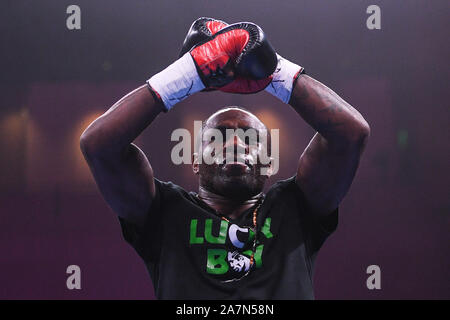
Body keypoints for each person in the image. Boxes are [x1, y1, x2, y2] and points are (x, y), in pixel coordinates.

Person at [80, 18, 370, 299]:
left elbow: (350, 133)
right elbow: (98, 145)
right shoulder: (165, 213)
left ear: (269, 163)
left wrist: (274, 72)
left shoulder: (295, 207)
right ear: (195, 161)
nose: (233, 142)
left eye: (249, 138)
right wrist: (187, 73)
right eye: (218, 136)